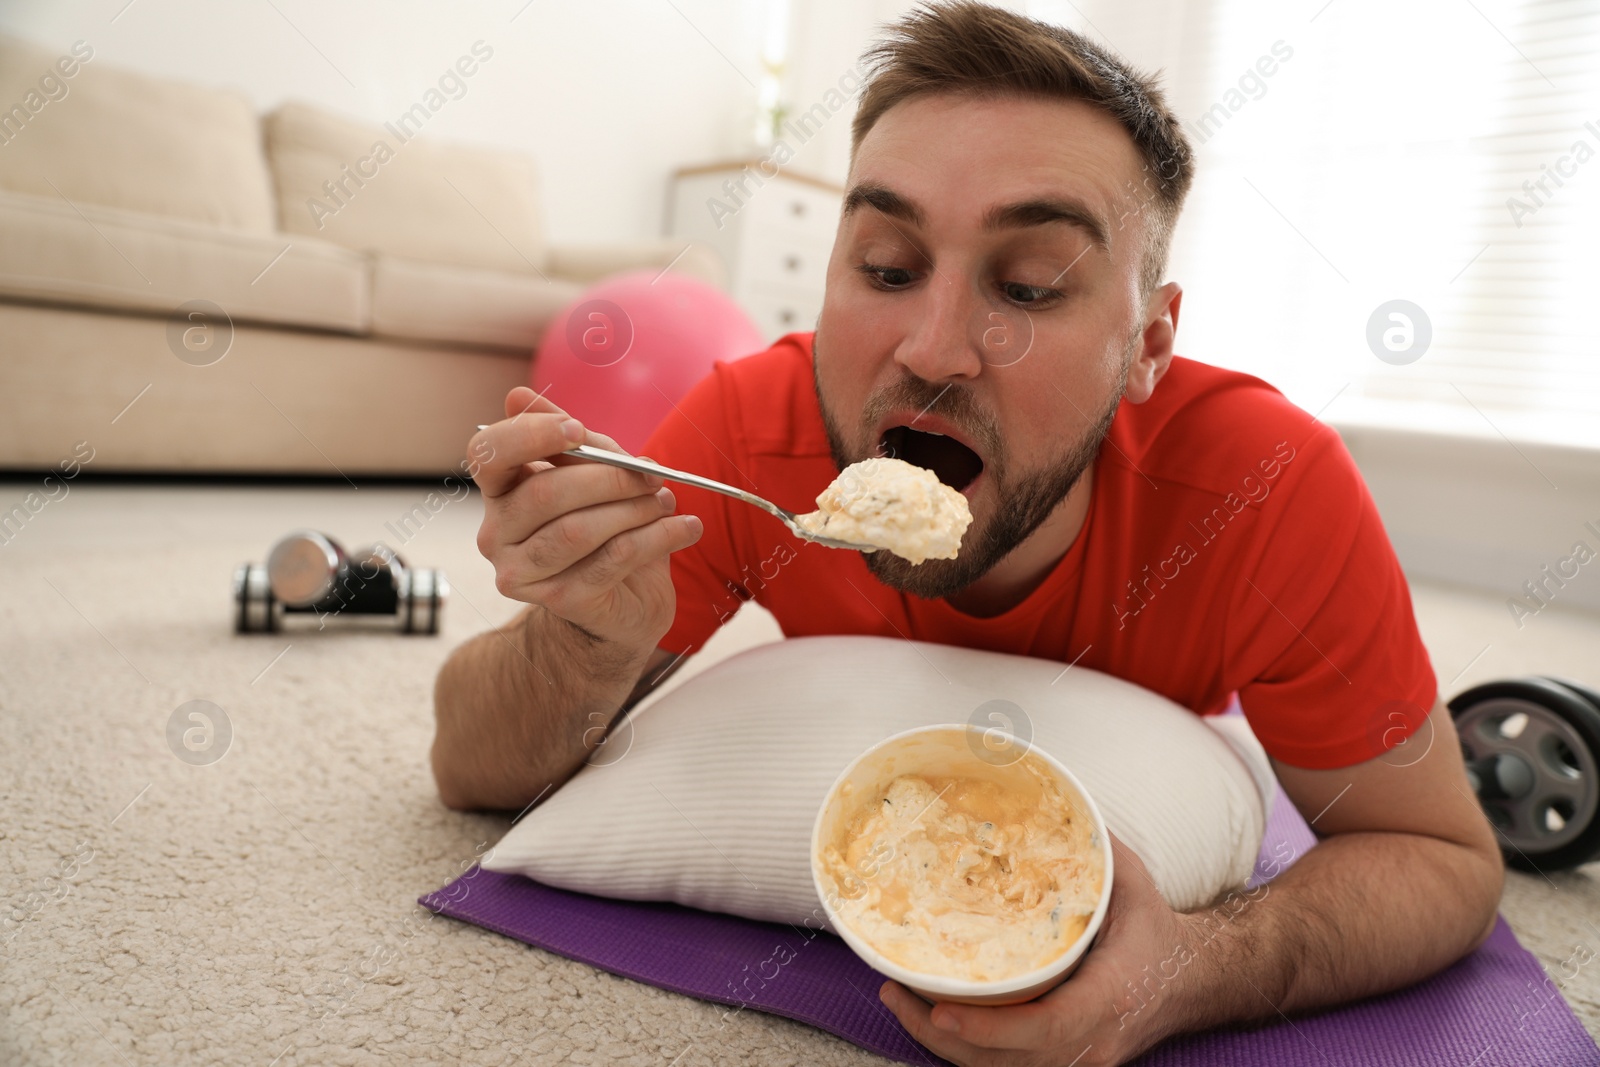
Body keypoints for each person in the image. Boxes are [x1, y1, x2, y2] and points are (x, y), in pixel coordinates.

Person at [430, 3, 1503, 1064]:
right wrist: (584, 643)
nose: (934, 349)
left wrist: (1192, 971)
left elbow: (1437, 853)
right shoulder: (744, 436)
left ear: (1149, 341)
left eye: (1028, 284)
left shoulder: (1264, 488)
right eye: (887, 267)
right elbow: (467, 767)